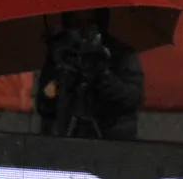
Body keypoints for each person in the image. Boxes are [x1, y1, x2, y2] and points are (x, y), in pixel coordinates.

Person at [35, 10, 144, 140]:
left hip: (111, 139)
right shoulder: (61, 55)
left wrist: (103, 75)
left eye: (90, 23)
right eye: (76, 23)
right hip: (67, 138)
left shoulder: (120, 54)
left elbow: (131, 98)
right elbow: (44, 103)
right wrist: (62, 79)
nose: (83, 30)